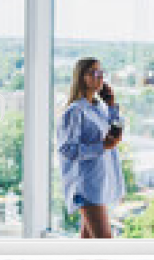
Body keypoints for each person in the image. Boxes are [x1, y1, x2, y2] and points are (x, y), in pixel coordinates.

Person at [56, 57, 126, 238]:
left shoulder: (98, 108)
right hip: (87, 188)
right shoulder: (75, 111)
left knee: (87, 245)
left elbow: (116, 128)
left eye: (101, 73)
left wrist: (111, 105)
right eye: (94, 73)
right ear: (82, 77)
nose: (100, 77)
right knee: (104, 244)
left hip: (100, 184)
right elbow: (67, 149)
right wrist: (102, 146)